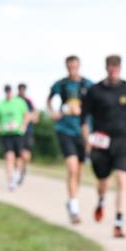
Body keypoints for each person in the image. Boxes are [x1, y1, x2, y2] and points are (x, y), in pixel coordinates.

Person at [81, 55, 126, 238]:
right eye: (110, 67)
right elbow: (84, 120)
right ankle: (101, 200)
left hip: (122, 141)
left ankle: (118, 221)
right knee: (103, 180)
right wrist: (87, 140)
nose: (113, 71)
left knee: (122, 178)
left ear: (120, 68)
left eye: (116, 67)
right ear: (106, 68)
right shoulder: (95, 90)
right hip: (101, 142)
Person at [48, 56, 94, 223]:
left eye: (74, 65)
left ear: (79, 66)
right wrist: (53, 112)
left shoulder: (88, 85)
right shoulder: (61, 84)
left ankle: (72, 200)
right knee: (72, 167)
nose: (72, 68)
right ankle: (74, 208)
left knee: (79, 170)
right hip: (65, 129)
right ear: (66, 67)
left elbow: (95, 105)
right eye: (69, 66)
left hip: (82, 131)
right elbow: (49, 100)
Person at [0, 84, 31, 190]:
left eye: (10, 91)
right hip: (6, 134)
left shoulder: (20, 102)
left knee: (19, 157)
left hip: (18, 134)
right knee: (9, 156)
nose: (8, 93)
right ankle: (10, 182)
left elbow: (27, 115)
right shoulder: (0, 105)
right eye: (6, 91)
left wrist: (23, 126)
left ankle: (17, 174)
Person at [17, 83, 37, 184]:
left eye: (23, 90)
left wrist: (29, 117)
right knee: (19, 153)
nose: (22, 91)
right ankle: (18, 172)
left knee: (26, 154)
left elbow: (35, 118)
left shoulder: (29, 102)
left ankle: (24, 168)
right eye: (20, 89)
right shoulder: (14, 101)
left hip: (28, 131)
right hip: (16, 131)